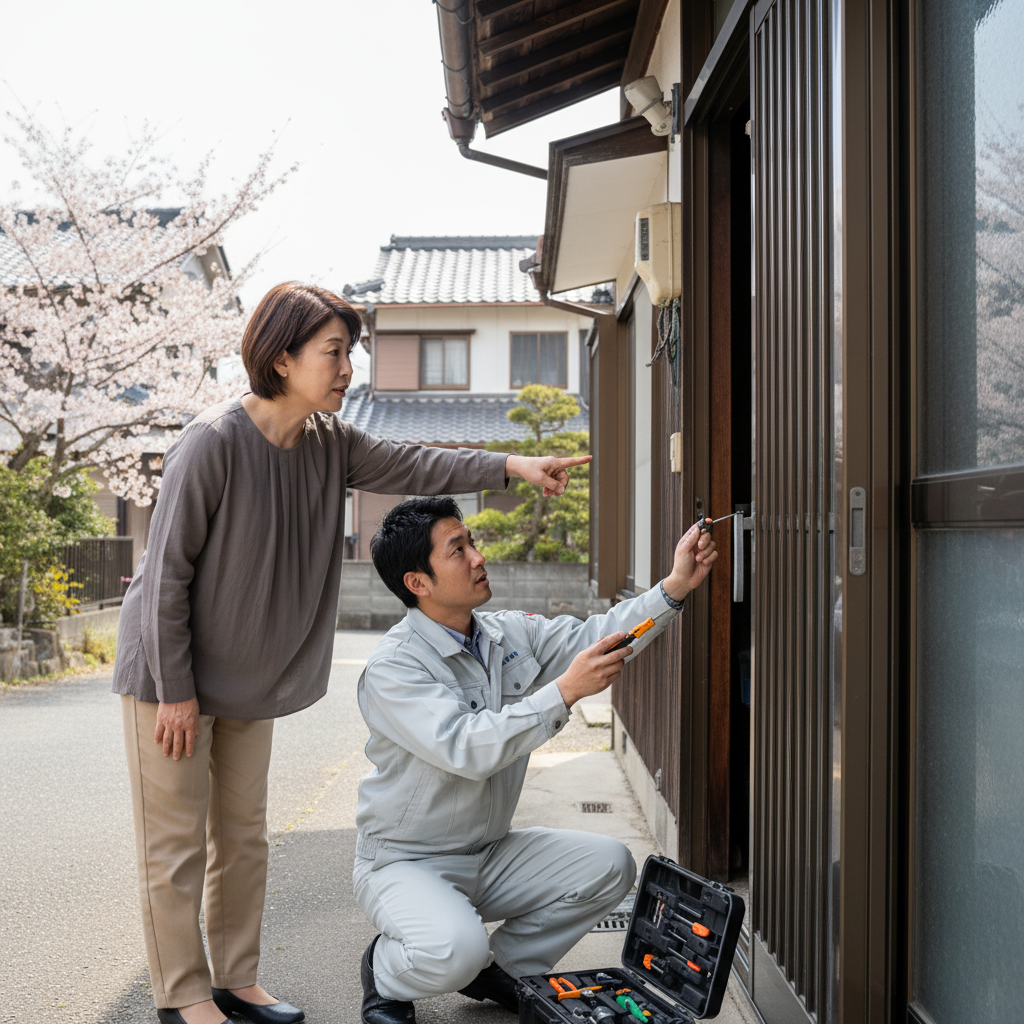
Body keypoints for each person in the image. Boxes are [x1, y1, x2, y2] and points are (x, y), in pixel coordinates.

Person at [112, 283, 590, 1024]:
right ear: (281, 359)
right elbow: (166, 572)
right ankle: (182, 997)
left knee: (242, 838)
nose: (347, 369)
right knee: (175, 845)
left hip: (248, 680)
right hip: (169, 677)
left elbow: (415, 464)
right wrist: (175, 688)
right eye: (333, 353)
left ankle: (237, 981)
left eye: (350, 353)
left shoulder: (330, 444)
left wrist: (512, 467)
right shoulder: (212, 442)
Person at [354, 497, 718, 1023]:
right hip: (407, 861)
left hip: (488, 851)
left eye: (472, 542)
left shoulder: (505, 634)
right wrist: (563, 692)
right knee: (452, 949)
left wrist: (675, 586)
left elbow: (602, 635)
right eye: (458, 550)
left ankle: (499, 969)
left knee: (609, 865)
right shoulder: (394, 669)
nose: (479, 557)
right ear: (419, 583)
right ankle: (386, 972)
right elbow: (467, 748)